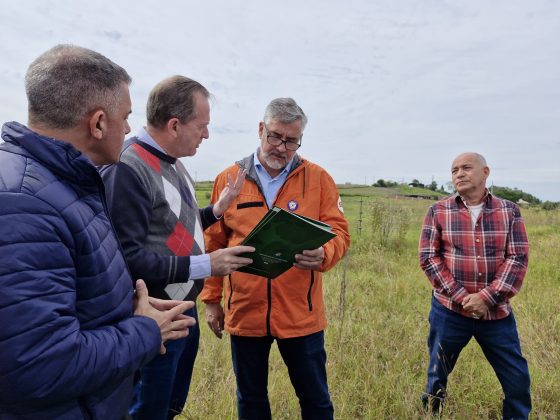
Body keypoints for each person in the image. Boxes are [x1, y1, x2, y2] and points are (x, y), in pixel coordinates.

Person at [0, 45, 195, 419]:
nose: (129, 129)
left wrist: (125, 306)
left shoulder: (66, 183)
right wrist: (146, 330)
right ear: (99, 123)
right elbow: (40, 365)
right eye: (126, 117)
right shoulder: (22, 205)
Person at [101, 75, 254, 420]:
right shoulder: (128, 167)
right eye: (202, 126)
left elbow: (174, 225)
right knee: (147, 411)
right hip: (153, 318)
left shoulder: (175, 163)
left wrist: (216, 211)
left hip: (182, 311)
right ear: (174, 125)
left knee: (170, 406)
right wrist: (206, 265)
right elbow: (129, 258)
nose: (207, 135)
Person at [200, 97, 351, 420]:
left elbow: (340, 232)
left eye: (291, 141)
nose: (282, 147)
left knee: (315, 399)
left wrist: (324, 253)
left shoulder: (318, 179)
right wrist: (212, 300)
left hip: (301, 313)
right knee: (251, 399)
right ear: (260, 130)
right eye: (275, 137)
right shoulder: (229, 179)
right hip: (245, 310)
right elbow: (213, 243)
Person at [419, 152, 531, 418]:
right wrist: (462, 297)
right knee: (437, 372)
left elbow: (517, 258)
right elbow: (429, 257)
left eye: (466, 168)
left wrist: (486, 298)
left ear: (485, 172)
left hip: (496, 313)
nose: (459, 174)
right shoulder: (438, 211)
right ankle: (432, 413)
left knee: (516, 378)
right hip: (449, 311)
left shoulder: (509, 211)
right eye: (454, 170)